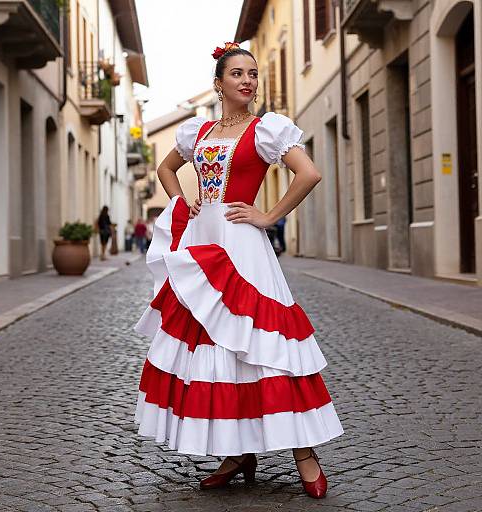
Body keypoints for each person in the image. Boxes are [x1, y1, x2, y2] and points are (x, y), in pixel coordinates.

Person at [133, 42, 343, 499]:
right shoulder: (199, 131)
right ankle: (237, 452)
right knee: (215, 346)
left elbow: (307, 173)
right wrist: (181, 200)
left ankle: (304, 454)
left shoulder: (267, 130)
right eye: (238, 74)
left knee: (266, 348)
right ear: (219, 83)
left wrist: (268, 216)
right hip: (203, 244)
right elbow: (167, 168)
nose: (248, 80)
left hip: (243, 247)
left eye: (252, 74)